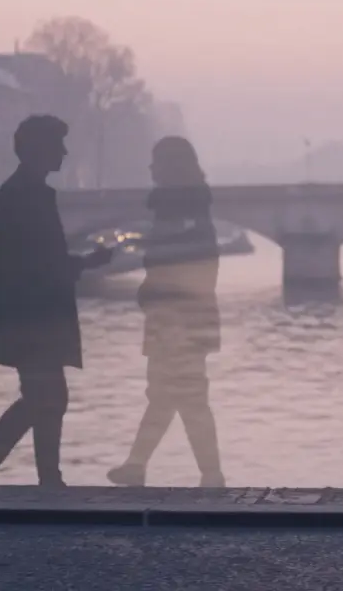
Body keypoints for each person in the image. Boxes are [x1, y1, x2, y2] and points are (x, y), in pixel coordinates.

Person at [0, 115, 112, 487]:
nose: (64, 151)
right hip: (35, 320)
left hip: (28, 318)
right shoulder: (27, 196)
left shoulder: (21, 193)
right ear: (40, 148)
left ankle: (36, 475)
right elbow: (42, 262)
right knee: (47, 396)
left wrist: (78, 263)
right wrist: (86, 262)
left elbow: (38, 259)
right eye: (58, 144)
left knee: (45, 396)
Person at [106, 136, 225, 487]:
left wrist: (151, 292)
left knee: (183, 395)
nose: (151, 168)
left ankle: (209, 474)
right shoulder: (192, 210)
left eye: (156, 161)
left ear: (170, 167)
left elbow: (171, 266)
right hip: (186, 318)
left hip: (176, 321)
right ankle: (139, 465)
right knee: (170, 393)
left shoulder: (177, 210)